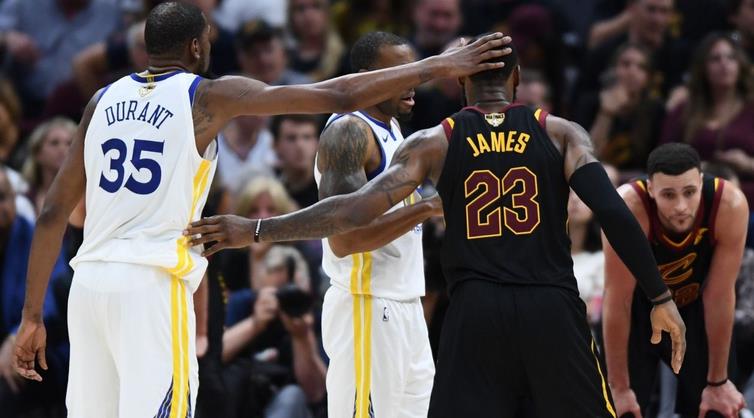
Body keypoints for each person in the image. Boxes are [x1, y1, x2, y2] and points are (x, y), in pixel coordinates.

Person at [11, 1, 511, 416]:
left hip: (89, 285)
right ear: (196, 47)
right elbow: (337, 94)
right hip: (151, 284)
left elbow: (53, 211)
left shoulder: (100, 100)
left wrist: (31, 317)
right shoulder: (207, 95)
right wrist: (438, 66)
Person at [185, 39, 687, 418]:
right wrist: (660, 295)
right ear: (516, 80)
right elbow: (614, 213)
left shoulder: (429, 141)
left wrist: (257, 230)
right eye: (399, 71)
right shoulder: (559, 132)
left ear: (463, 83)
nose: (411, 82)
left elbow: (354, 211)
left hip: (465, 312)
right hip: (520, 304)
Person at [313, 31, 442, 417]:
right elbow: (343, 241)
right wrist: (427, 208)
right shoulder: (349, 132)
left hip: (405, 307)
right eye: (401, 73)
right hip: (367, 305)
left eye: (415, 71)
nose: (413, 81)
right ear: (367, 78)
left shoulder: (391, 128)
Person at [602, 143, 748, 418]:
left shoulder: (728, 204)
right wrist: (618, 387)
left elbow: (719, 297)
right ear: (651, 189)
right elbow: (618, 300)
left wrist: (718, 382)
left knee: (718, 407)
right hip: (638, 313)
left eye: (689, 192)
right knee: (619, 409)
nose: (681, 206)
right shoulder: (628, 207)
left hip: (696, 310)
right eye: (668, 195)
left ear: (700, 182)